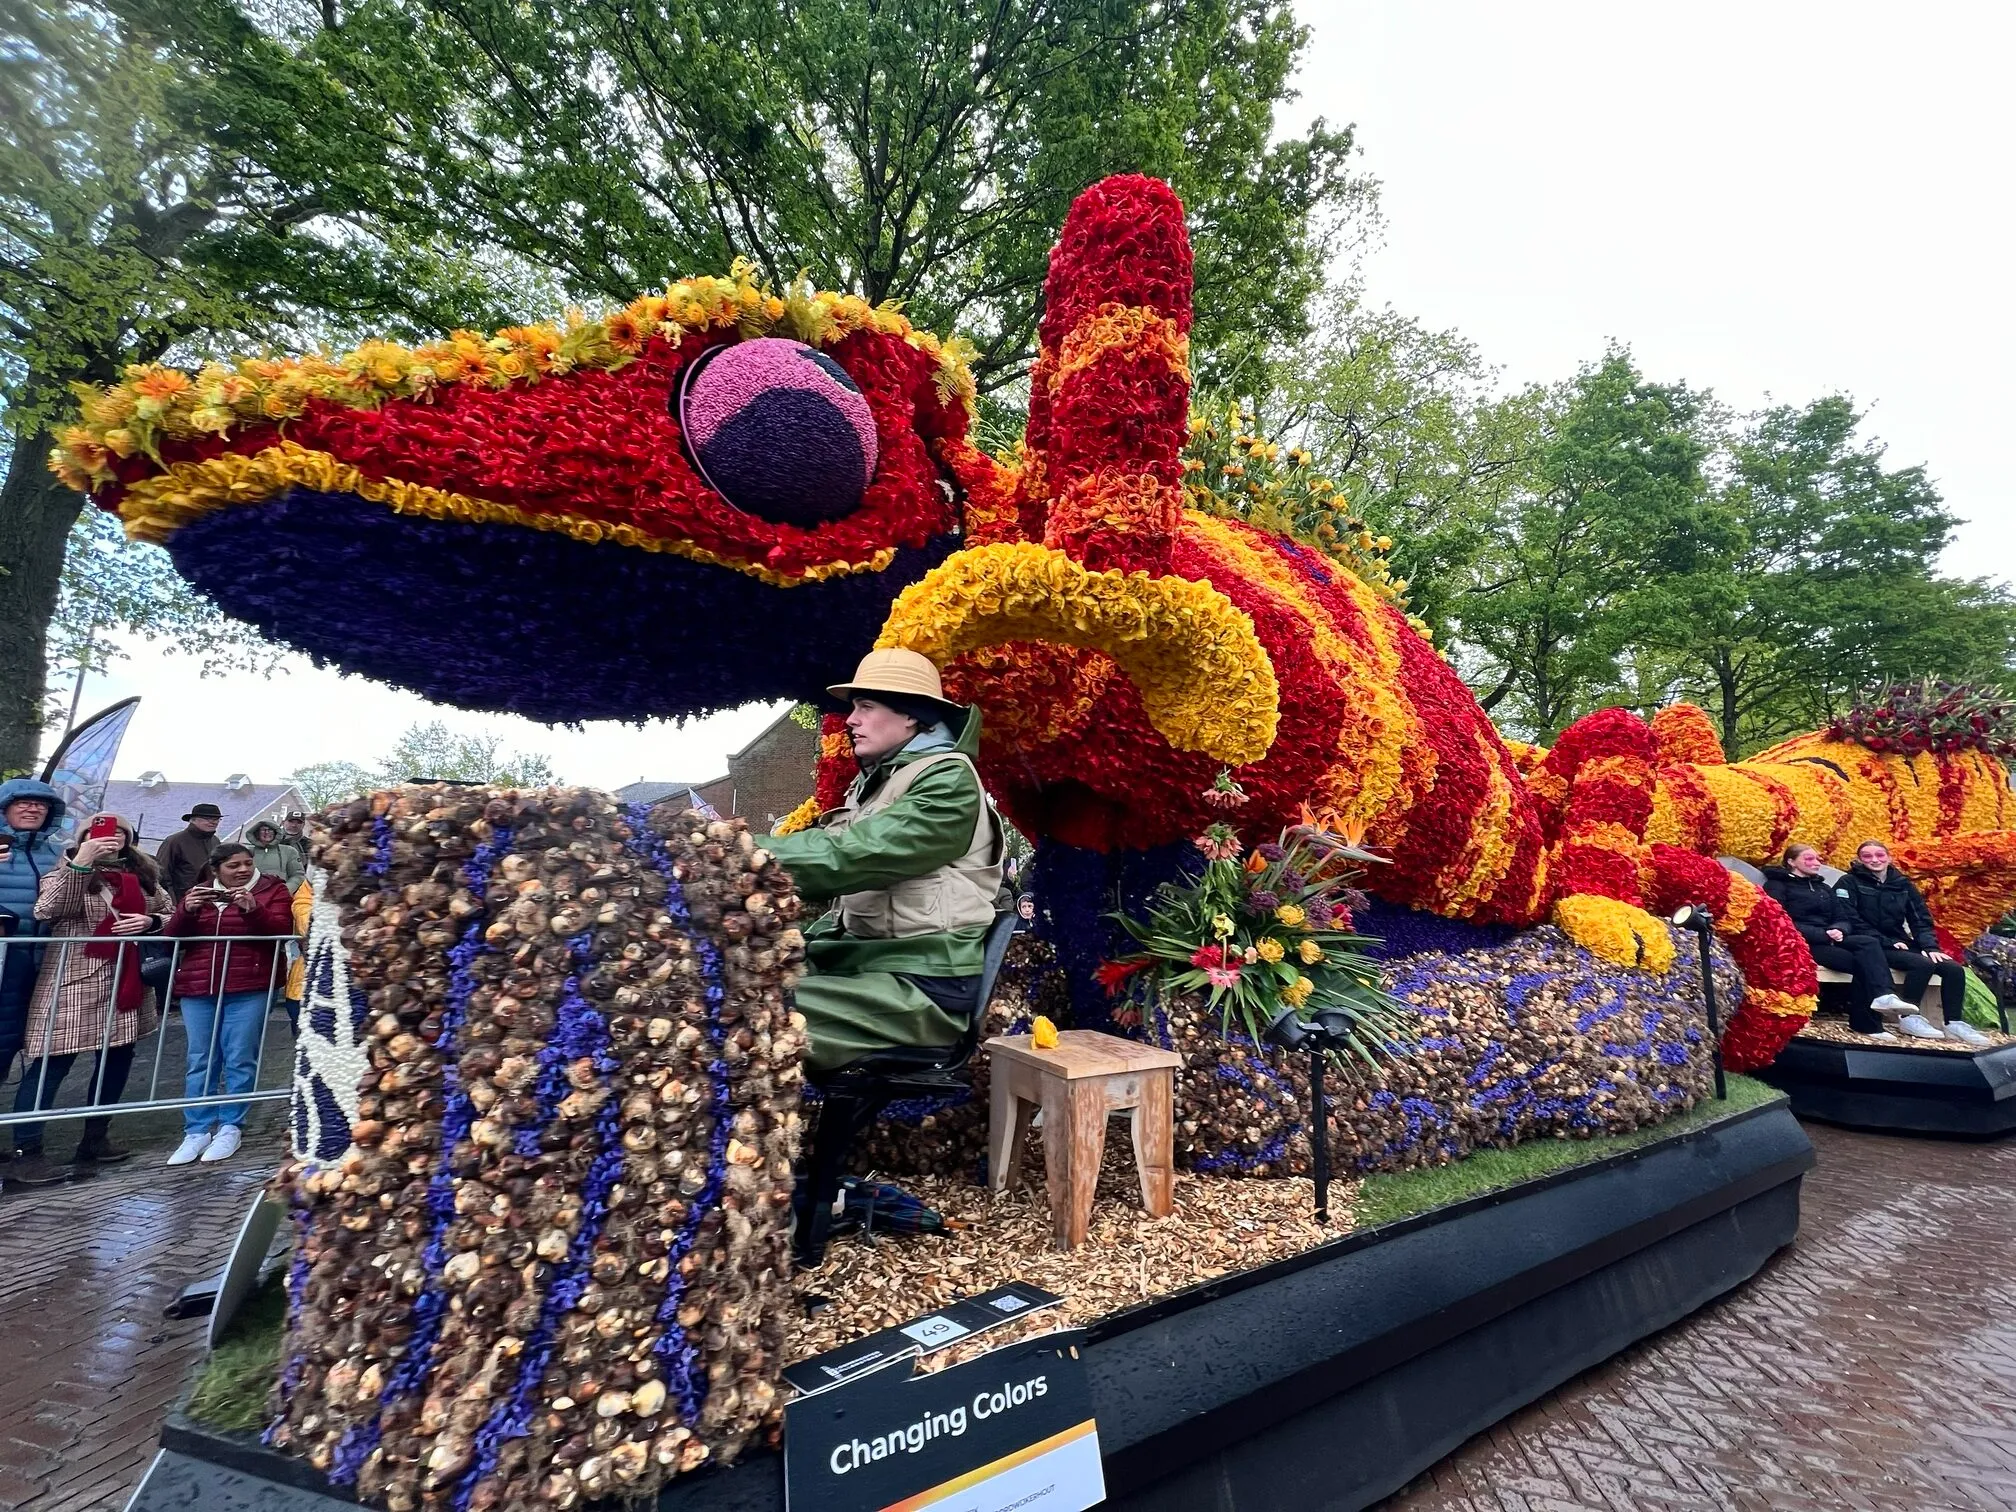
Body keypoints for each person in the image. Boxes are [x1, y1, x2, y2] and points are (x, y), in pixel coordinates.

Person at [765, 649, 1006, 1075]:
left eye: (866, 706)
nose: (851, 720)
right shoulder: (876, 785)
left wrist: (734, 854)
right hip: (868, 968)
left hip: (921, 988)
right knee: (734, 983)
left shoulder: (948, 781)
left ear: (911, 715)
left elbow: (850, 856)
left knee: (746, 1016)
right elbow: (844, 891)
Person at [8, 817, 171, 1185]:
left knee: (117, 1060)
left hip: (127, 981)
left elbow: (169, 912)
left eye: (120, 834)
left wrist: (150, 921)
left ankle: (95, 1138)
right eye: (98, 834)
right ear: (82, 838)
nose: (111, 839)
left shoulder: (143, 875)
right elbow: (49, 910)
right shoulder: (62, 873)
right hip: (73, 981)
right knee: (52, 1064)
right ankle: (26, 1150)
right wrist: (81, 862)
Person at [162, 843, 294, 1165]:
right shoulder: (200, 892)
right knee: (200, 1059)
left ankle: (231, 1125)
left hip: (249, 985)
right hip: (199, 985)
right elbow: (173, 937)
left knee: (239, 1056)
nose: (243, 870)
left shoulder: (272, 889)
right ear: (216, 868)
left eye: (247, 864)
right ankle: (196, 1129)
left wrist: (254, 909)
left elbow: (282, 930)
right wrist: (185, 910)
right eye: (234, 866)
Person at [1836, 839, 1987, 1046]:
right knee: (1921, 963)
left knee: (1953, 968)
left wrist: (1929, 946)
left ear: (1889, 858)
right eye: (1867, 856)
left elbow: (1920, 919)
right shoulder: (1849, 882)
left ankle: (1954, 1023)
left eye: (1879, 855)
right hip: (1872, 944)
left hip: (1899, 941)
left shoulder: (1902, 884)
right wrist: (1887, 941)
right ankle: (1909, 1018)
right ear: (1860, 860)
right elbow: (1849, 918)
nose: (1874, 860)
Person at [1763, 844, 1905, 1039]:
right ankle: (1868, 1025)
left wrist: (1839, 929)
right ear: (1791, 861)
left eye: (1817, 859)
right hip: (1802, 943)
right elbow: (1778, 919)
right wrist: (1822, 934)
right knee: (1861, 964)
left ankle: (1884, 996)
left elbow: (1842, 916)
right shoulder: (1777, 885)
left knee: (1868, 943)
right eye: (1809, 859)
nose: (1816, 863)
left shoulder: (1823, 887)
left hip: (1831, 938)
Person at [0, 779, 67, 1097]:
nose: (33, 808)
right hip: (4, 964)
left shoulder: (60, 856)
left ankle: (25, 1138)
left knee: (36, 1045)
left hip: (45, 965)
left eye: (41, 804)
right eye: (23, 803)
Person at [156, 803, 222, 902]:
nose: (213, 822)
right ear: (193, 820)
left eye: (216, 819)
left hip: (210, 900)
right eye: (207, 818)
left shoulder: (215, 841)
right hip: (182, 900)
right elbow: (162, 875)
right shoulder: (174, 841)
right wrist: (173, 903)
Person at [245, 816, 305, 888]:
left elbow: (297, 875)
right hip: (252, 894)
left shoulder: (289, 851)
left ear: (276, 832)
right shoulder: (246, 852)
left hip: (280, 895)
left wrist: (285, 891)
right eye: (263, 830)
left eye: (270, 830)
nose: (267, 832)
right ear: (257, 832)